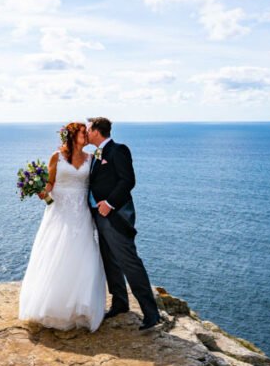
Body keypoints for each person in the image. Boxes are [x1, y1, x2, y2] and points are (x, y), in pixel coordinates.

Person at [18, 122, 106, 331]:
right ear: (72, 135)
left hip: (81, 213)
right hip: (59, 211)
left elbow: (96, 184)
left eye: (87, 132)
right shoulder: (56, 157)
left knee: (83, 254)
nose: (86, 135)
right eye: (82, 132)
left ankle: (79, 307)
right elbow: (50, 184)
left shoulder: (91, 159)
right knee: (55, 252)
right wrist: (41, 191)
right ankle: (52, 305)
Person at [86, 116, 162, 331]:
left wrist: (109, 203)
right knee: (110, 260)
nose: (86, 132)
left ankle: (151, 314)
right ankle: (120, 303)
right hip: (98, 216)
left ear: (97, 130)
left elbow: (128, 180)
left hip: (115, 216)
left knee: (129, 262)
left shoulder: (118, 150)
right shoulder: (95, 156)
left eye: (88, 129)